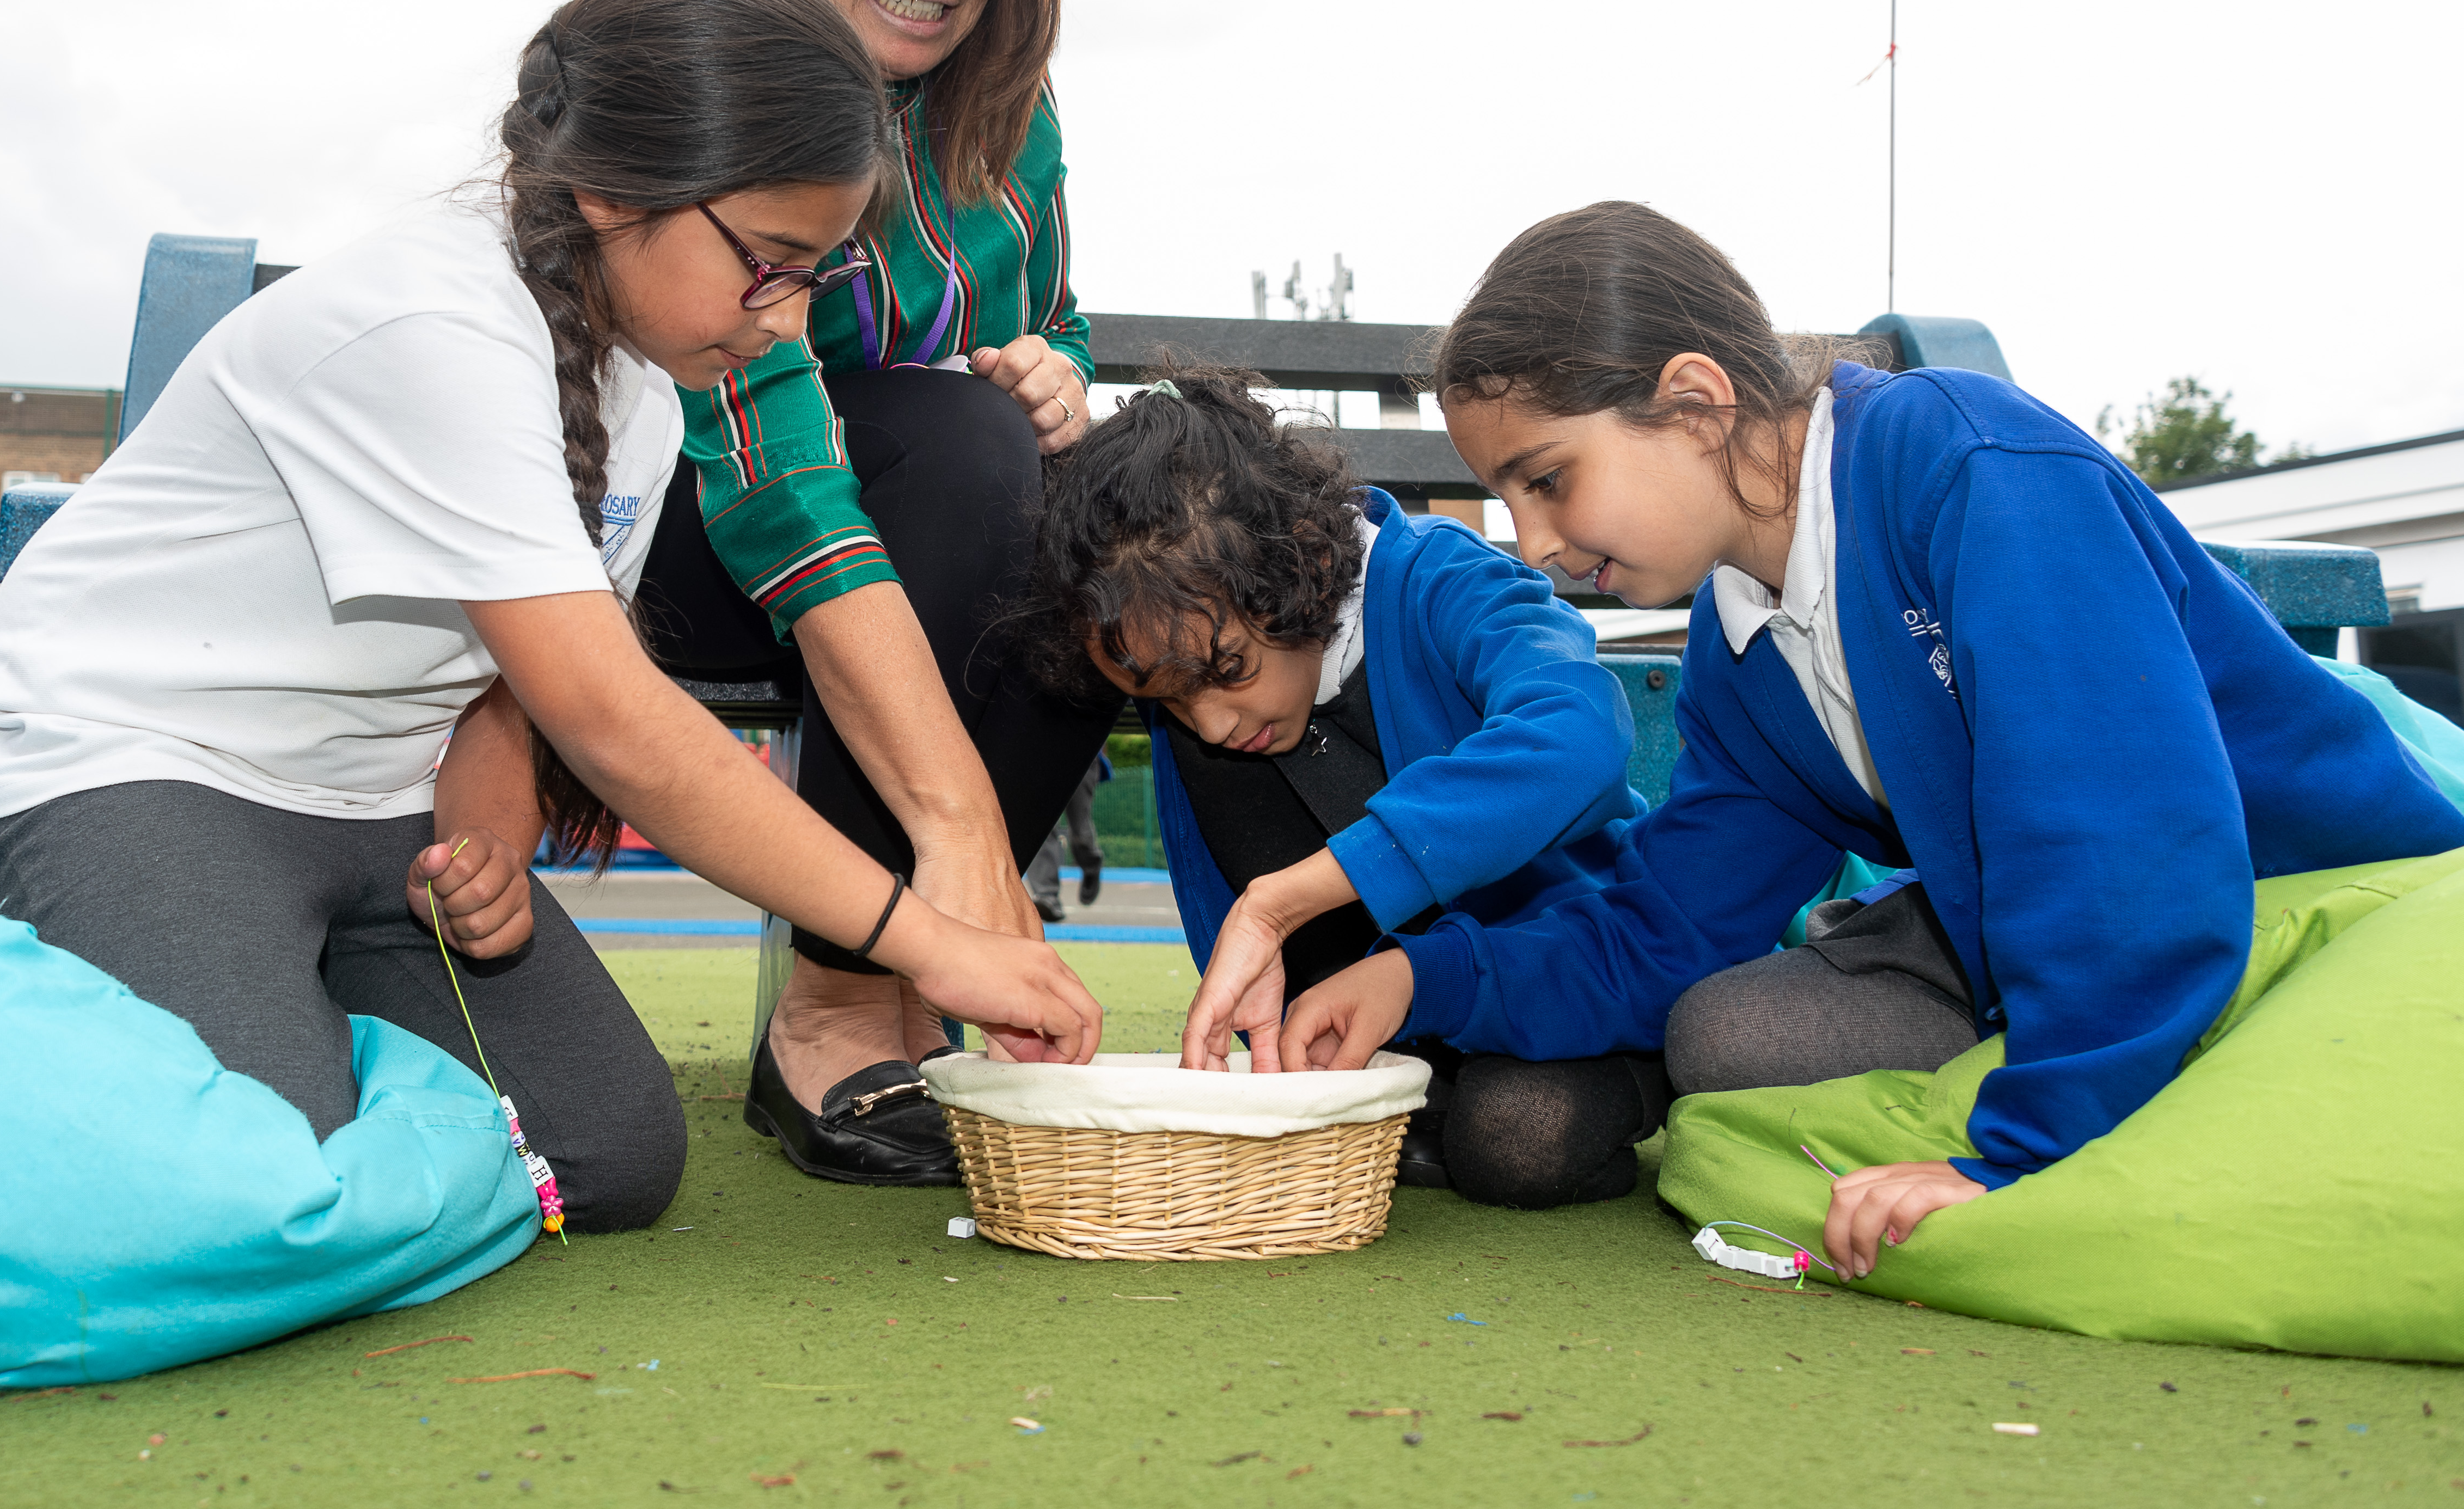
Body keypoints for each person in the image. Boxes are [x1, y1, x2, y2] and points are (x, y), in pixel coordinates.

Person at [0, 0, 1102, 1234]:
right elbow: (615, 723)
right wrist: (928, 942)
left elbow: (504, 697)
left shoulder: (640, 393)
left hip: (374, 816)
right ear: (617, 192)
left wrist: (486, 848)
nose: (787, 322)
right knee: (265, 1185)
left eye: (815, 276)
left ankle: (264, 1002)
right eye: (771, 263)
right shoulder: (433, 324)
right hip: (143, 768)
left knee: (610, 1156)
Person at [1279, 201, 2464, 1272]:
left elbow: (2115, 829)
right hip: (2023, 934)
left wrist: (2009, 1157)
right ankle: (2084, 1052)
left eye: (1548, 478)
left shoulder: (1965, 464)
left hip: (2313, 899)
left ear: (1694, 400)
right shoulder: (1735, 654)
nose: (1531, 541)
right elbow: (1671, 928)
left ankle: (2089, 1072)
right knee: (1725, 1032)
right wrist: (1417, 971)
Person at [638, 0, 1121, 1185]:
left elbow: (1057, 319)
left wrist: (1059, 377)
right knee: (970, 447)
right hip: (680, 530)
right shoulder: (706, 80)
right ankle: (844, 1002)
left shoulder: (1011, 117)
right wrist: (964, 827)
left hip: (921, 531)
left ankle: (919, 981)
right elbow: (761, 434)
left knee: (1097, 507)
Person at [1020, 367, 1661, 1206]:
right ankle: (1414, 1101)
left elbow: (1580, 735)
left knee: (1516, 1139)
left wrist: (1289, 898)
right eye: (1167, 701)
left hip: (1568, 986)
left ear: (1308, 561)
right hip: (1387, 1023)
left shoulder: (1443, 584)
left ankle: (1650, 1074)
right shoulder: (1194, 664)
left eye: (1229, 670)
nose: (1208, 723)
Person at [1022, 748, 1110, 922]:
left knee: (1081, 830)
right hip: (1041, 754)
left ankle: (1091, 863)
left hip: (1084, 752)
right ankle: (1047, 896)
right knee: (1042, 827)